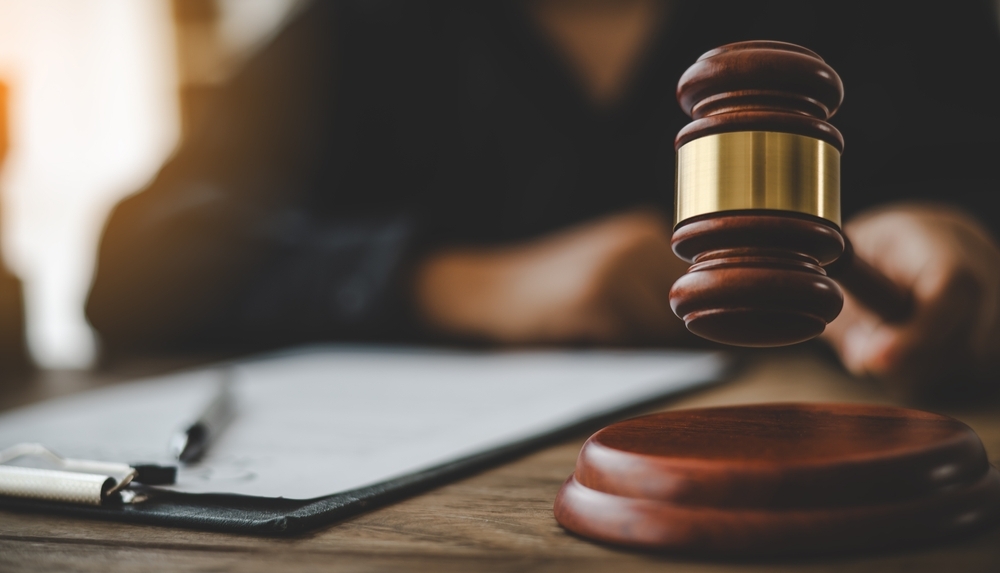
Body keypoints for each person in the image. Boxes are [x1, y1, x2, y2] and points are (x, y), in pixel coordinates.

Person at [86, 0, 1000, 401]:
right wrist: (465, 285)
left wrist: (963, 231)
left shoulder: (892, 13)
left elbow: (971, 185)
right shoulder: (353, 32)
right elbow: (135, 263)